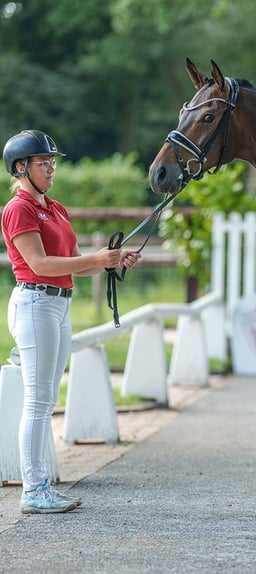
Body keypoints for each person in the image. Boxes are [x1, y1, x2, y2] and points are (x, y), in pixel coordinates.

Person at [1, 130, 141, 514]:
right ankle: (33, 490)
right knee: (38, 400)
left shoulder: (56, 208)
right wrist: (96, 260)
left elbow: (76, 262)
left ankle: (39, 485)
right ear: (20, 168)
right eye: (43, 163)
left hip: (59, 306)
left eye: (52, 162)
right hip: (35, 304)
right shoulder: (19, 209)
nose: (51, 168)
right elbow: (40, 265)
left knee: (46, 401)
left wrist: (111, 259)